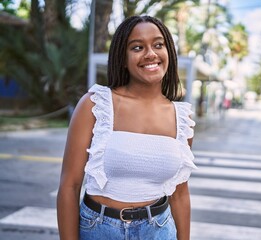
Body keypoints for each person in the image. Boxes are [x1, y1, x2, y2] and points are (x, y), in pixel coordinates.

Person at [57, 15, 197, 240]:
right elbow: (69, 186)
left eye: (158, 45)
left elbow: (179, 193)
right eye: (138, 47)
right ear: (123, 58)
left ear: (168, 51)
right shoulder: (96, 104)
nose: (150, 53)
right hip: (99, 229)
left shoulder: (182, 118)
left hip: (159, 230)